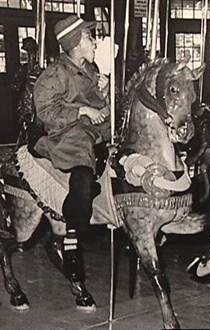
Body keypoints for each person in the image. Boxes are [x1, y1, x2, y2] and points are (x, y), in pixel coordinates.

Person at [33, 15, 110, 286]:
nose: (94, 42)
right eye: (90, 37)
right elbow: (45, 111)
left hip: (93, 134)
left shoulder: (90, 70)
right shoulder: (55, 74)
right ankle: (71, 241)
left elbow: (100, 108)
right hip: (66, 137)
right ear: (76, 43)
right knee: (82, 176)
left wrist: (105, 94)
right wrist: (82, 110)